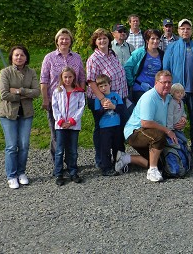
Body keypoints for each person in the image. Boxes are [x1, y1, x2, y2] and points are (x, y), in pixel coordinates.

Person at [123, 70, 182, 182]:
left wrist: (182, 120)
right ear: (156, 83)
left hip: (151, 132)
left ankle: (125, 158)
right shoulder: (149, 97)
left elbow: (174, 115)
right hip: (135, 132)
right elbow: (145, 123)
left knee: (163, 165)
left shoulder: (169, 98)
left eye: (169, 82)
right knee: (159, 136)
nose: (167, 85)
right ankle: (152, 171)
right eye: (163, 82)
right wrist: (167, 131)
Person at [163, 19, 193, 159]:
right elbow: (166, 69)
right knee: (175, 122)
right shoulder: (172, 47)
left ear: (192, 31)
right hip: (176, 93)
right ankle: (178, 148)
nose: (185, 31)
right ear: (178, 30)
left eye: (188, 29)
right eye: (182, 29)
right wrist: (168, 90)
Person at [40, 28, 86, 165]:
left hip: (73, 100)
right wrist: (45, 99)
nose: (64, 41)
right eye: (61, 38)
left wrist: (81, 94)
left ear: (71, 40)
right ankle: (58, 164)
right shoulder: (49, 58)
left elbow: (82, 77)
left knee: (71, 134)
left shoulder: (77, 57)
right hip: (56, 102)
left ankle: (71, 163)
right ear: (57, 41)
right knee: (56, 134)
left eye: (67, 38)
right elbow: (44, 80)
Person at [0, 45, 40, 189]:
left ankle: (21, 173)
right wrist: (24, 95)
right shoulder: (5, 72)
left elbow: (36, 92)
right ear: (12, 57)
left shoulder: (31, 72)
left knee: (24, 145)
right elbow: (4, 94)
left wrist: (19, 91)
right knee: (11, 146)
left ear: (26, 57)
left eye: (22, 55)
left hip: (26, 114)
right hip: (8, 113)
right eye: (16, 55)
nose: (19, 58)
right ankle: (11, 175)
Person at [86, 28, 129, 168]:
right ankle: (102, 161)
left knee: (117, 128)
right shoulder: (94, 59)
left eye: (104, 38)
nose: (102, 41)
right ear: (95, 42)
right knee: (102, 130)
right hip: (101, 99)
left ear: (109, 40)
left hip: (117, 98)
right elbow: (91, 81)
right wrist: (102, 99)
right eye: (99, 39)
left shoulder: (112, 54)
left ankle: (119, 159)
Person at [51, 67, 85, 185]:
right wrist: (60, 121)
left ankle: (73, 171)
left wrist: (72, 121)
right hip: (60, 126)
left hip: (73, 126)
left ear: (74, 77)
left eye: (70, 77)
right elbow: (54, 107)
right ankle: (59, 173)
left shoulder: (79, 91)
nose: (67, 79)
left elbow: (81, 107)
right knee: (59, 150)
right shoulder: (57, 91)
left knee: (73, 150)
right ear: (61, 77)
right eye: (65, 77)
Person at [94, 75, 128, 176]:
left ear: (110, 85)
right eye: (100, 87)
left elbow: (122, 110)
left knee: (118, 145)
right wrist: (104, 108)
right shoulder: (98, 99)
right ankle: (106, 168)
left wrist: (113, 106)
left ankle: (119, 164)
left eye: (105, 85)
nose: (103, 88)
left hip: (116, 125)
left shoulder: (116, 96)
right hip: (105, 127)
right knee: (105, 147)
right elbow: (97, 115)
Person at [124, 29, 165, 104]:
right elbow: (127, 67)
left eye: (157, 39)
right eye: (152, 38)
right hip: (140, 88)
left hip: (155, 89)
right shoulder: (139, 52)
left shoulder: (162, 54)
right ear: (147, 40)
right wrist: (131, 82)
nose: (155, 41)